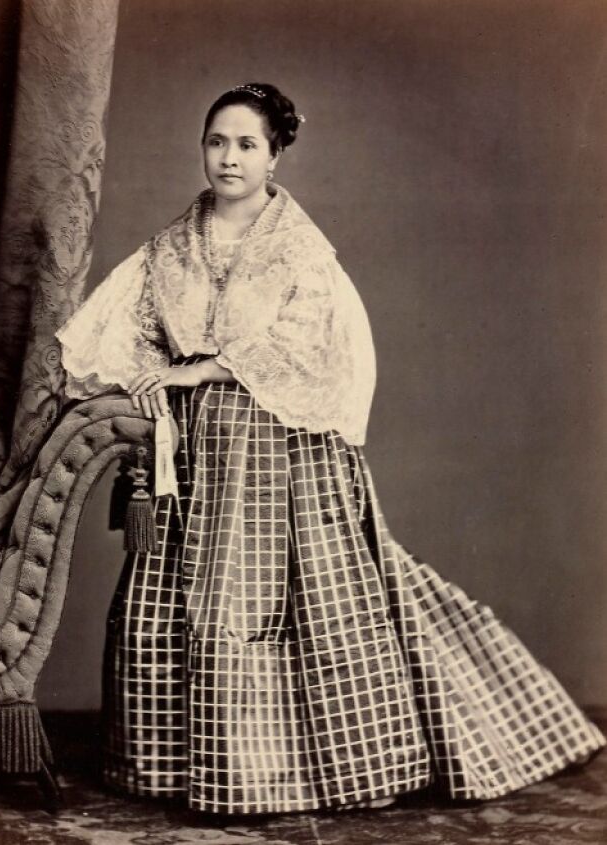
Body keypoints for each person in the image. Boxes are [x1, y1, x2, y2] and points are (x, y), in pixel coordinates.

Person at [55, 82, 604, 816]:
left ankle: (285, 770)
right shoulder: (169, 248)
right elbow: (115, 333)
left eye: (247, 144)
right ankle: (172, 768)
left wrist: (207, 366)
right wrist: (156, 384)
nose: (229, 158)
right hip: (192, 455)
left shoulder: (301, 251)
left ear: (275, 155)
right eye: (217, 141)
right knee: (170, 598)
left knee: (283, 601)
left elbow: (315, 347)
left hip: (282, 452)